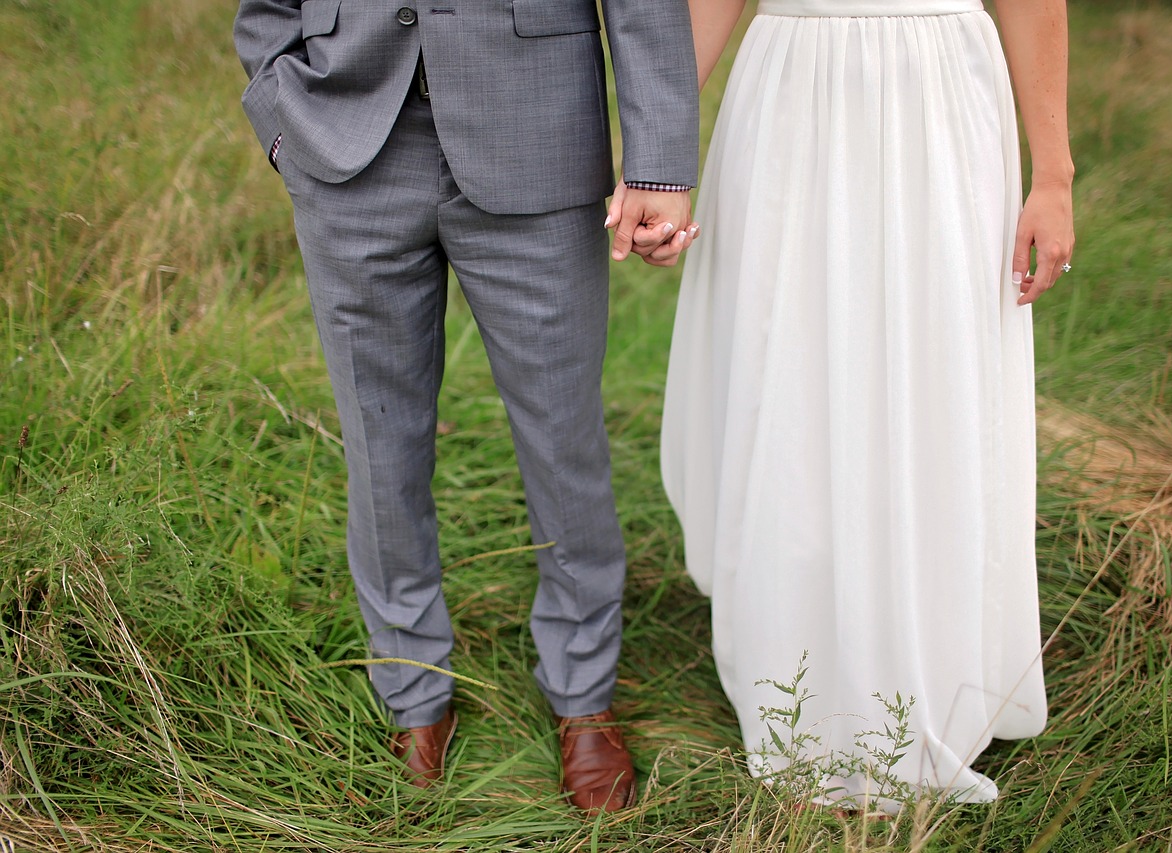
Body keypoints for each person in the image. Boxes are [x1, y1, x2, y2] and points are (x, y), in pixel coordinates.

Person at [233, 0, 700, 814]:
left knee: (564, 441)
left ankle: (583, 690)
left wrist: (659, 162)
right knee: (380, 446)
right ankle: (413, 690)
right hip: (347, 143)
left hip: (537, 135)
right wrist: (282, 122)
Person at [658, 0, 1074, 808]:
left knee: (934, 371)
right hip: (788, 93)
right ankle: (797, 670)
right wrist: (656, 150)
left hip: (941, 92)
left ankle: (934, 665)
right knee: (787, 377)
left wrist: (1053, 173)